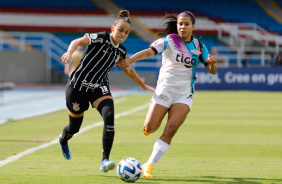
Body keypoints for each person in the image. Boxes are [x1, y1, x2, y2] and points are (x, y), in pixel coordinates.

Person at [118, 11, 217, 177]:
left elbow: (212, 70)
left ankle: (149, 164)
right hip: (165, 89)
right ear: (176, 26)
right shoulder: (169, 41)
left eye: (186, 24)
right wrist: (130, 60)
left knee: (171, 128)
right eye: (180, 24)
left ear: (193, 26)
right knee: (150, 128)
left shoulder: (200, 47)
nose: (183, 27)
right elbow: (149, 51)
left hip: (184, 93)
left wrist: (212, 64)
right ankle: (149, 126)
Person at [58, 10, 154, 173]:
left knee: (109, 117)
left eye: (127, 32)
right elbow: (78, 41)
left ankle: (105, 160)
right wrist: (69, 52)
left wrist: (142, 85)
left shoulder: (121, 51)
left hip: (99, 87)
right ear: (113, 28)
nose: (123, 34)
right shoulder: (101, 38)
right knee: (74, 128)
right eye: (121, 30)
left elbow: (128, 70)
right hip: (78, 87)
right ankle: (63, 140)